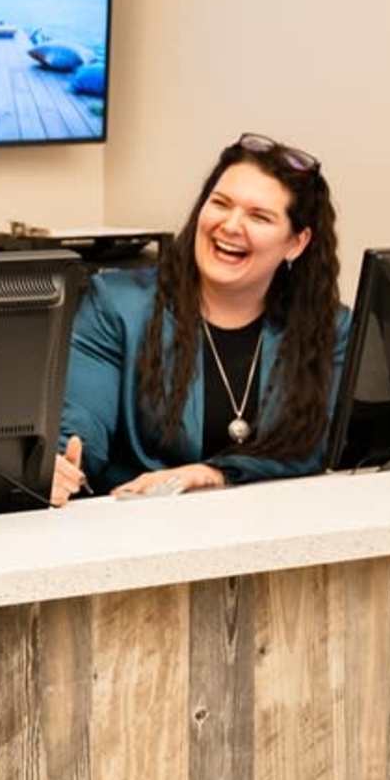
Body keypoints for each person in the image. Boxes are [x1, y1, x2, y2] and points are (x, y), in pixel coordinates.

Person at [51, 134, 346, 503]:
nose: (231, 225)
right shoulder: (116, 305)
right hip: (138, 529)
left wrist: (217, 475)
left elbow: (321, 448)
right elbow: (81, 423)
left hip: (276, 527)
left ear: (296, 243)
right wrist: (61, 465)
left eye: (259, 216)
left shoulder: (329, 329)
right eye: (220, 203)